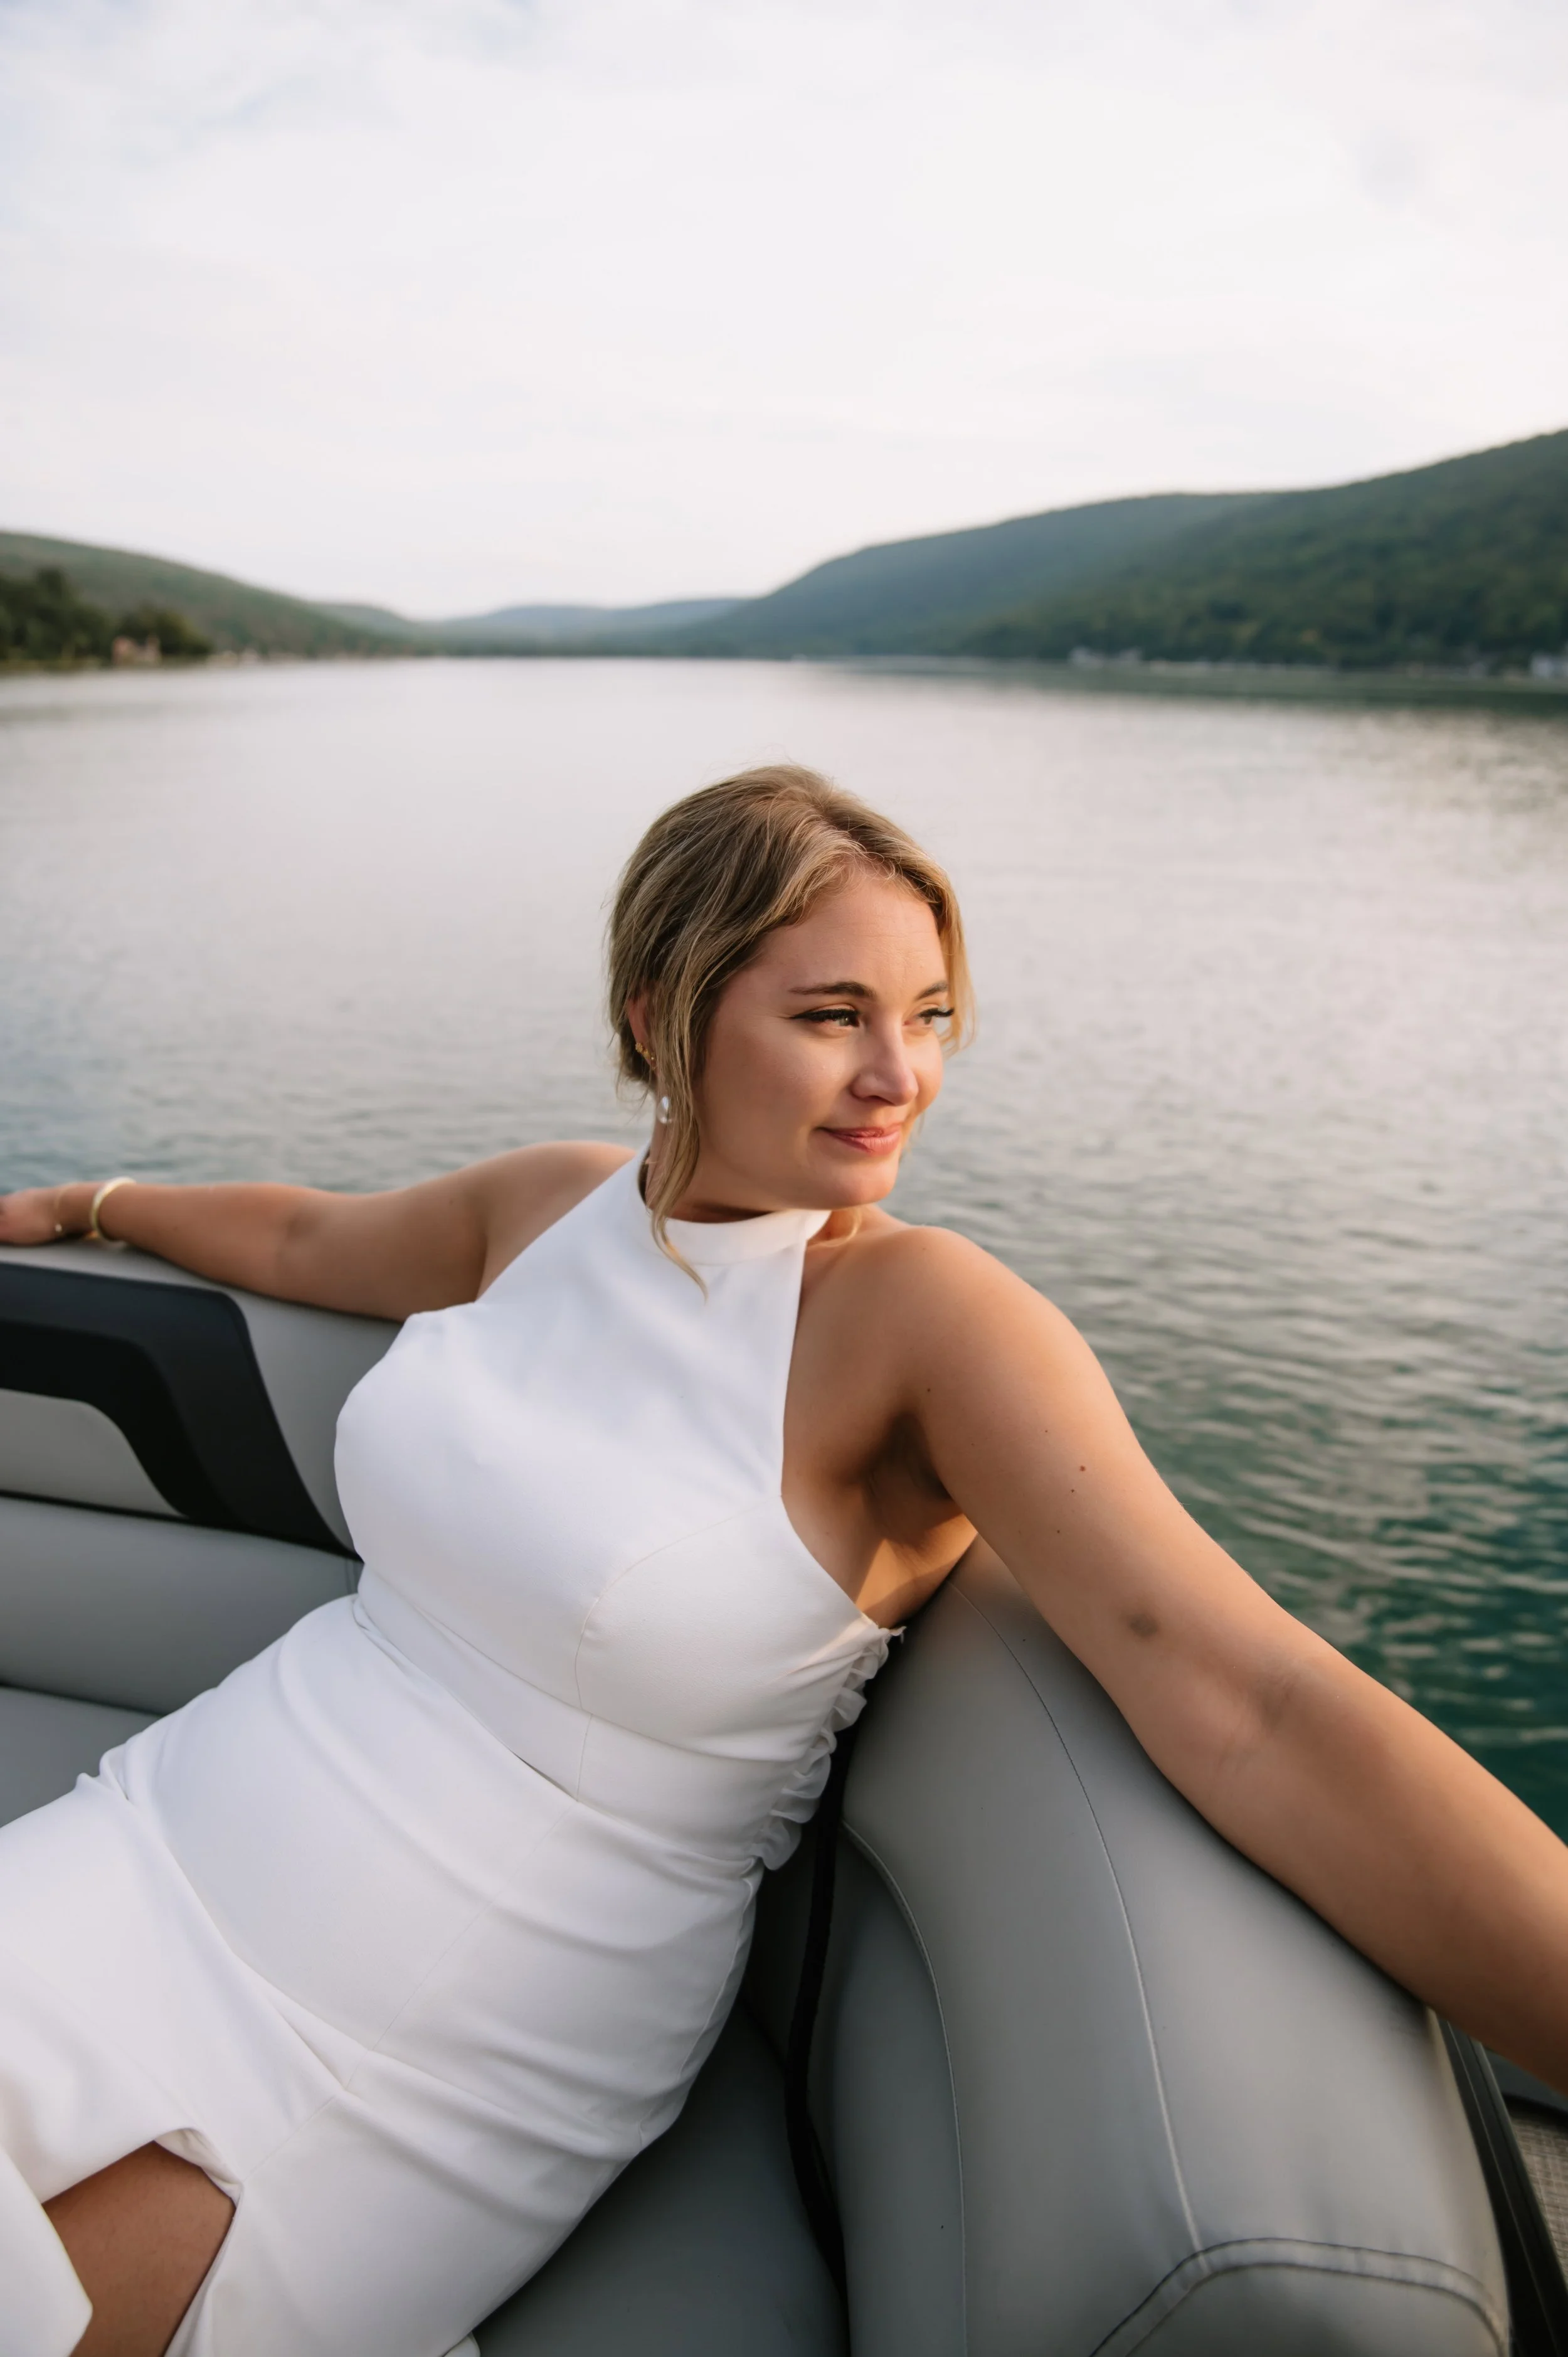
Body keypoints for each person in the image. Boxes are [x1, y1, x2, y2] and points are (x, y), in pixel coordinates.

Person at [1, 763, 1565, 2357]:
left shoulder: (925, 1323)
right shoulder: (544, 1205)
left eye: (933, 1016)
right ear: (655, 1016)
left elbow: (1251, 1701)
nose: (900, 1077)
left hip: (443, 2017)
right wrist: (93, 1200)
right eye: (832, 1016)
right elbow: (305, 1244)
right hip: (177, 1822)